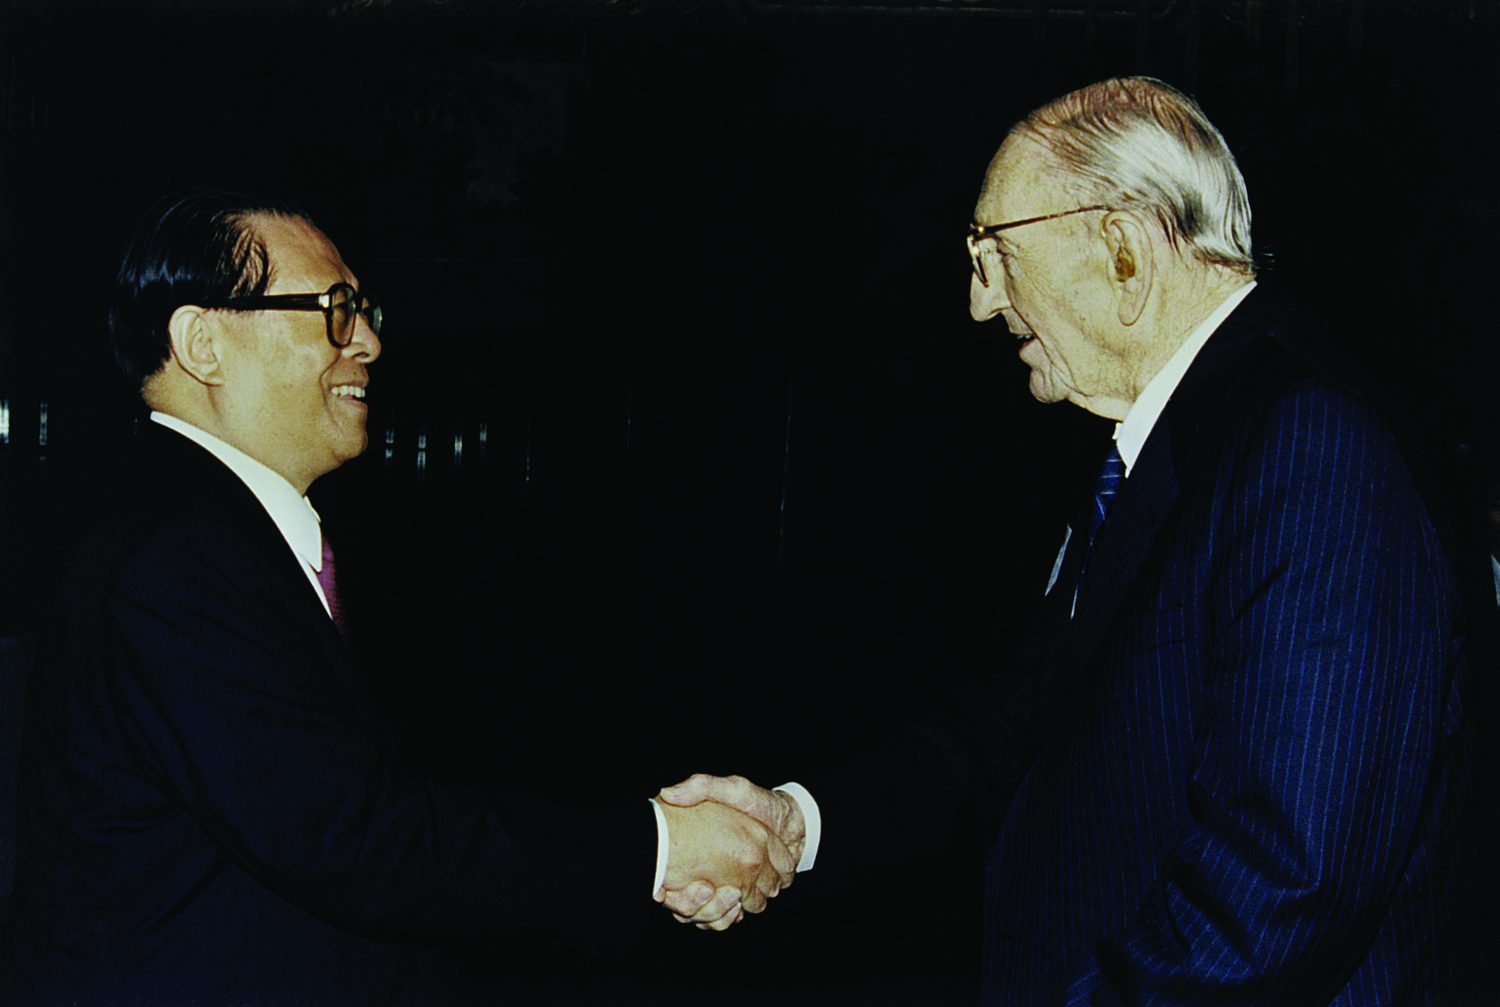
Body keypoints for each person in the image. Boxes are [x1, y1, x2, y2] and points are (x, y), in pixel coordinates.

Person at [660, 77, 1473, 1002]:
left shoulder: (1313, 449)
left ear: (1122, 249)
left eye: (993, 251)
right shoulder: (1168, 452)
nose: (978, 302)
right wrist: (799, 823)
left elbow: (1282, 890)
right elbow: (1017, 730)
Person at [5, 190, 802, 1005]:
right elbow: (354, 841)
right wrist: (660, 847)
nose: (371, 342)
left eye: (364, 308)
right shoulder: (175, 556)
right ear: (203, 342)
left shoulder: (208, 529)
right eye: (335, 310)